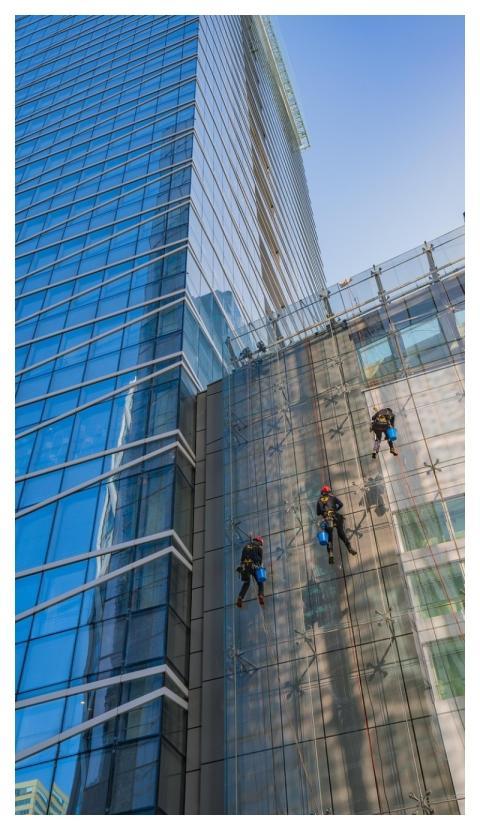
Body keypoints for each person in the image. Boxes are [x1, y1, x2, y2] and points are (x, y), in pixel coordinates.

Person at [316, 486, 357, 564]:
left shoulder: (319, 501)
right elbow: (341, 504)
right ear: (329, 492)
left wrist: (324, 512)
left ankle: (331, 554)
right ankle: (349, 548)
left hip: (327, 519)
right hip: (336, 517)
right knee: (341, 534)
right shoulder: (333, 497)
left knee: (329, 538)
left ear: (322, 493)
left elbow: (318, 513)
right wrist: (335, 510)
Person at [236, 536, 265, 607]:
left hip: (245, 567)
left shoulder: (246, 546)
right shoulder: (259, 547)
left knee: (246, 583)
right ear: (260, 542)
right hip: (254, 566)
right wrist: (259, 566)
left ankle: (240, 597)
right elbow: (260, 560)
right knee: (260, 582)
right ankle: (260, 595)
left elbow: (242, 558)